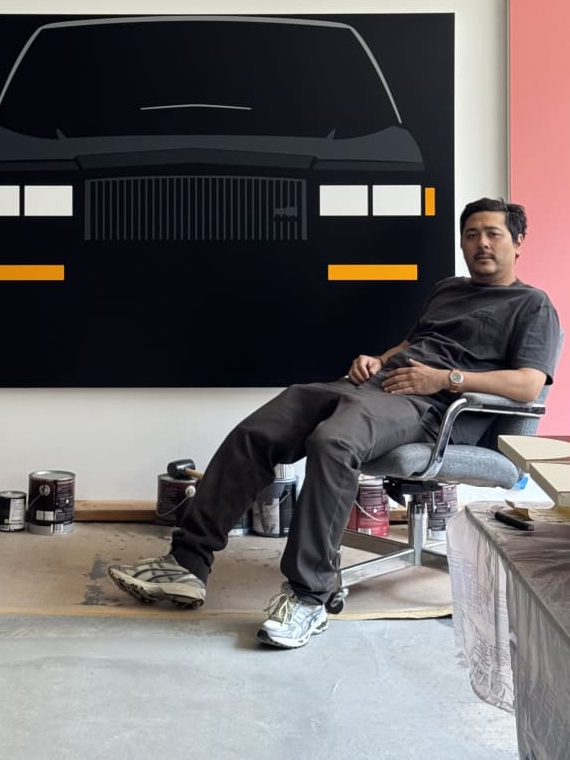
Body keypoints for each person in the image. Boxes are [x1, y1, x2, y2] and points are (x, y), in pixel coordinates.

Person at [108, 198, 560, 649]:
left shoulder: (532, 305)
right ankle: (188, 564)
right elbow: (417, 343)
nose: (480, 243)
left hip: (432, 406)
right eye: (471, 234)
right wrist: (375, 360)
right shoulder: (448, 289)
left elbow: (527, 384)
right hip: (378, 386)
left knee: (334, 441)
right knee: (262, 429)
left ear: (518, 242)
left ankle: (310, 595)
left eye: (492, 233)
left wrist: (445, 379)